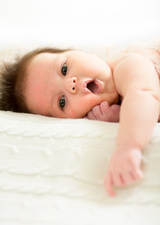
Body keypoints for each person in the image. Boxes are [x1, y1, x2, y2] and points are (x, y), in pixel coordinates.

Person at [0, 44, 160, 196]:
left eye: (64, 69)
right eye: (62, 102)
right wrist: (117, 117)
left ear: (75, 51)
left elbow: (144, 96)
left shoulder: (129, 65)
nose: (71, 84)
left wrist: (128, 146)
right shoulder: (108, 102)